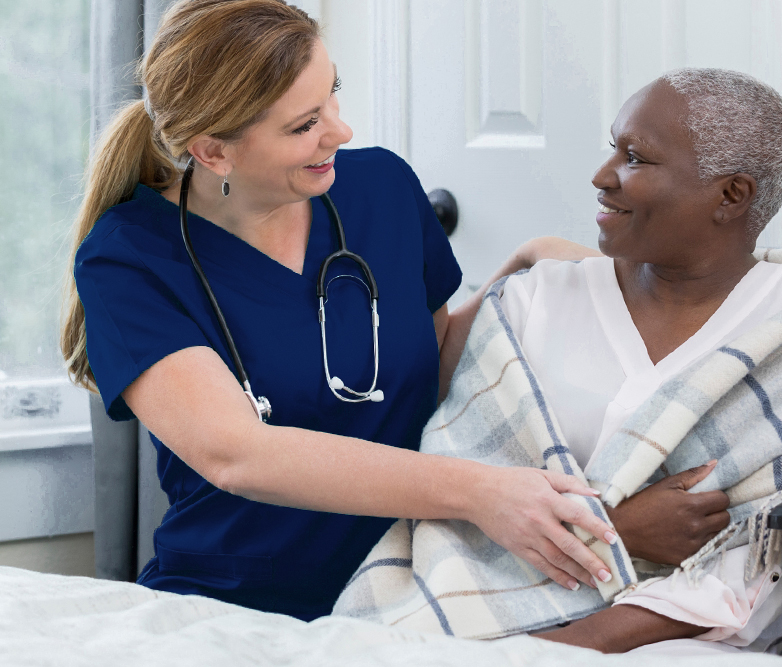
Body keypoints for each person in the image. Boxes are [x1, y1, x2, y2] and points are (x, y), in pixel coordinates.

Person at [61, 0, 726, 622]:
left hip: (411, 594)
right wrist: (483, 491)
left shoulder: (379, 185)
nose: (341, 131)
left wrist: (519, 279)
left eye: (333, 95)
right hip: (236, 611)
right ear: (213, 151)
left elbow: (428, 366)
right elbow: (238, 453)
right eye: (305, 125)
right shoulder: (129, 258)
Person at [501, 70, 782, 653]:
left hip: (711, 637)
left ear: (731, 196)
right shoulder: (537, 299)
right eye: (613, 148)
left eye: (636, 159)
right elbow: (462, 480)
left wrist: (568, 646)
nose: (602, 177)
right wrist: (619, 532)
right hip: (504, 602)